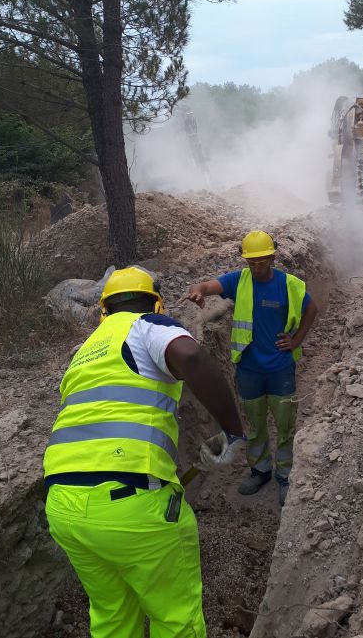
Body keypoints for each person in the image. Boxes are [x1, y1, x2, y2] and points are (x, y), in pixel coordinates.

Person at [43, 266, 245, 638]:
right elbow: (195, 359)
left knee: (112, 617)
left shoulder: (85, 351)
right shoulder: (148, 325)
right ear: (156, 303)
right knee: (176, 619)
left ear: (103, 309)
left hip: (64, 506)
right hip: (132, 502)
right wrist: (233, 432)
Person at [185, 230, 318, 507]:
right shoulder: (239, 281)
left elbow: (311, 309)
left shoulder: (288, 284)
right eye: (251, 262)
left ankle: (285, 475)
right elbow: (209, 286)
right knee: (255, 426)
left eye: (261, 261)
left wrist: (296, 340)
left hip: (280, 369)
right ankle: (260, 471)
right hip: (248, 370)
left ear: (272, 257)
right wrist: (198, 291)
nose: (256, 267)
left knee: (285, 426)